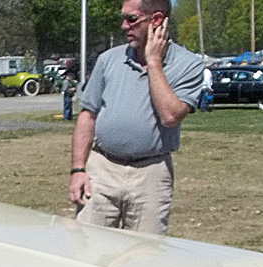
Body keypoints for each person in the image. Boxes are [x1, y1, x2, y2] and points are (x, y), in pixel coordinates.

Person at [67, 0, 203, 236]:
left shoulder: (188, 65)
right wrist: (78, 169)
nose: (124, 26)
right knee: (85, 248)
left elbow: (171, 115)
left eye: (131, 19)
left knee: (144, 255)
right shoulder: (109, 60)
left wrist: (153, 62)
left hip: (151, 173)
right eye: (123, 18)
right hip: (102, 169)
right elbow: (88, 116)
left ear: (157, 19)